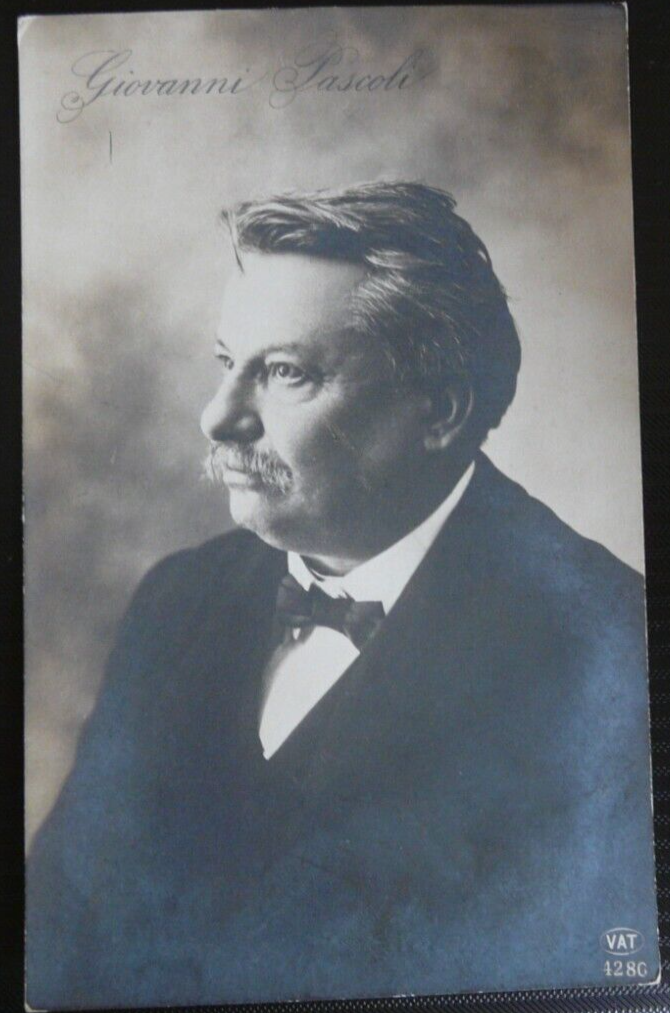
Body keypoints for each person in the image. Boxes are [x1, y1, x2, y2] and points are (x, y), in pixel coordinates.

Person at [27, 182, 659, 1009]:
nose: (218, 416)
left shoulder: (611, 651)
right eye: (227, 363)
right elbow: (56, 940)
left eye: (286, 372)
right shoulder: (178, 599)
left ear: (439, 410)